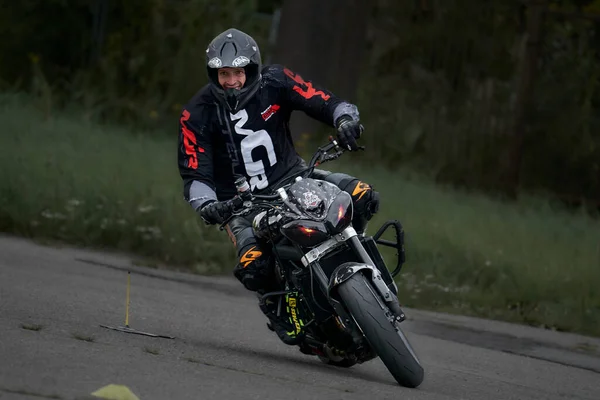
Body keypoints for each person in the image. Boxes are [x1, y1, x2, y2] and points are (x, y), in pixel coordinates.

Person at [177, 28, 380, 344]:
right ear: (213, 73)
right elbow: (194, 175)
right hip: (240, 206)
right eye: (223, 73)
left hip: (296, 178)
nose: (231, 81)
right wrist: (207, 205)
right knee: (253, 266)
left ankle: (356, 260)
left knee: (362, 196)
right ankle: (282, 307)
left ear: (253, 69)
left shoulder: (276, 80)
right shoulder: (196, 113)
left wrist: (345, 120)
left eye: (239, 72)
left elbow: (324, 101)